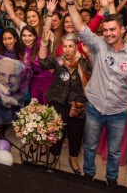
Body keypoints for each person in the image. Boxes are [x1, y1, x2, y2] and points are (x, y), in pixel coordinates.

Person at [62, 0, 127, 187]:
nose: (108, 33)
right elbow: (81, 28)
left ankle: (111, 180)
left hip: (118, 111)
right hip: (95, 107)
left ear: (122, 30)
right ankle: (89, 174)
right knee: (90, 146)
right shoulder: (98, 44)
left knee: (115, 151)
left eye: (112, 30)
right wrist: (71, 4)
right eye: (106, 30)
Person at [38, 30, 88, 176]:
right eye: (65, 46)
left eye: (70, 46)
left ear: (76, 47)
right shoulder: (57, 61)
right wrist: (44, 43)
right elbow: (42, 62)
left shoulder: (83, 62)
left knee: (76, 133)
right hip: (58, 102)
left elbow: (93, 68)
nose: (67, 49)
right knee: (56, 132)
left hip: (77, 103)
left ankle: (73, 159)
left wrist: (88, 55)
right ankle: (55, 157)